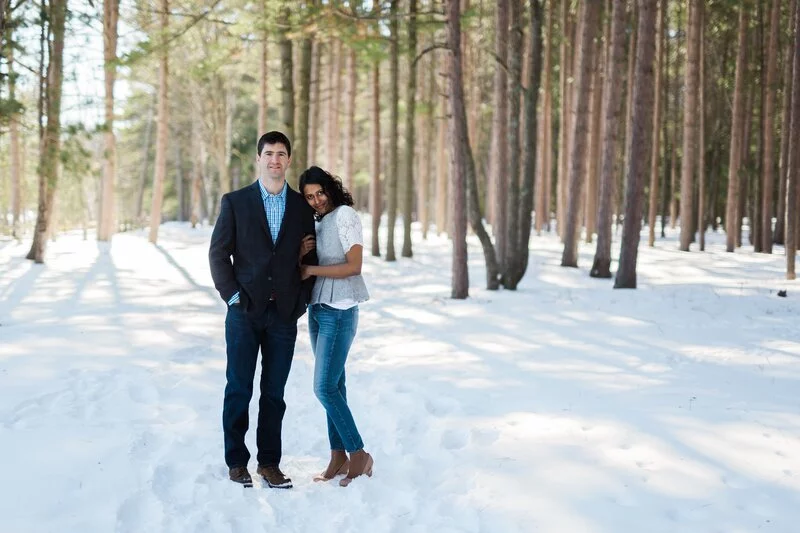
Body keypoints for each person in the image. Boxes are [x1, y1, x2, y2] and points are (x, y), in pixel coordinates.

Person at [209, 131, 317, 489]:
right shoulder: (235, 202)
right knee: (239, 387)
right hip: (243, 313)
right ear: (259, 158)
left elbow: (310, 257)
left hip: (284, 316)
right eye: (268, 153)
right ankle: (237, 461)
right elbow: (218, 253)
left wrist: (299, 301)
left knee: (274, 393)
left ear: (289, 160)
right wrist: (233, 297)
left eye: (281, 154)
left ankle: (269, 463)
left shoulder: (303, 208)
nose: (275, 160)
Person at [297, 166, 373, 488]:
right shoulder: (321, 220)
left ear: (331, 188)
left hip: (340, 311)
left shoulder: (344, 216)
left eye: (320, 193)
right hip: (318, 309)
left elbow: (355, 266)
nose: (316, 200)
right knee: (336, 386)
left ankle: (359, 453)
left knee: (324, 387)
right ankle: (338, 454)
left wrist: (310, 268)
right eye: (310, 197)